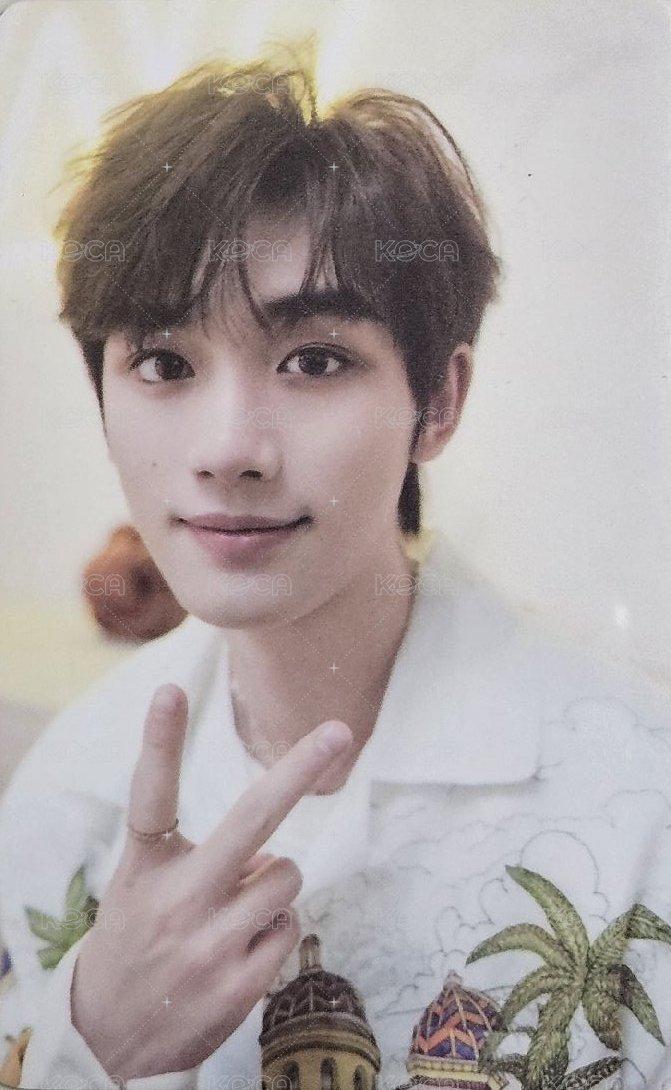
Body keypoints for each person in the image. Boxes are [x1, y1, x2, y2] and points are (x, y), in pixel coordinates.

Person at [1, 52, 671, 1090]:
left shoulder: (636, 795)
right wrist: (92, 1044)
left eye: (313, 360)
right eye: (165, 363)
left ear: (436, 403)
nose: (228, 449)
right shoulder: (67, 791)